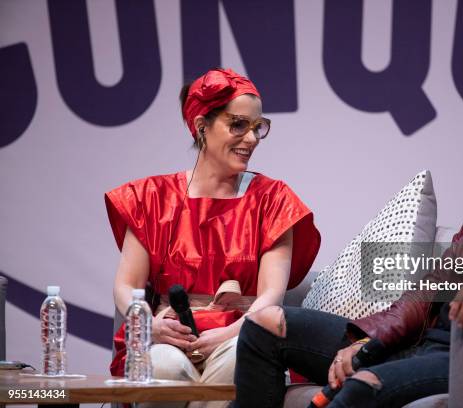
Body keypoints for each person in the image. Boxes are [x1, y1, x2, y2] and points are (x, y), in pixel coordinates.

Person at [233, 76, 463, 407]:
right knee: (262, 327)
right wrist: (372, 342)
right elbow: (431, 287)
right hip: (418, 344)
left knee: (361, 388)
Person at [105, 68, 320, 408]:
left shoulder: (274, 199)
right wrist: (148, 324)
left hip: (238, 334)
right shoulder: (150, 197)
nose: (251, 139)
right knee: (162, 364)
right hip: (170, 335)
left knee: (240, 358)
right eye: (238, 125)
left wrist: (230, 333)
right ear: (202, 125)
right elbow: (125, 285)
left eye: (257, 127)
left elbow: (271, 296)